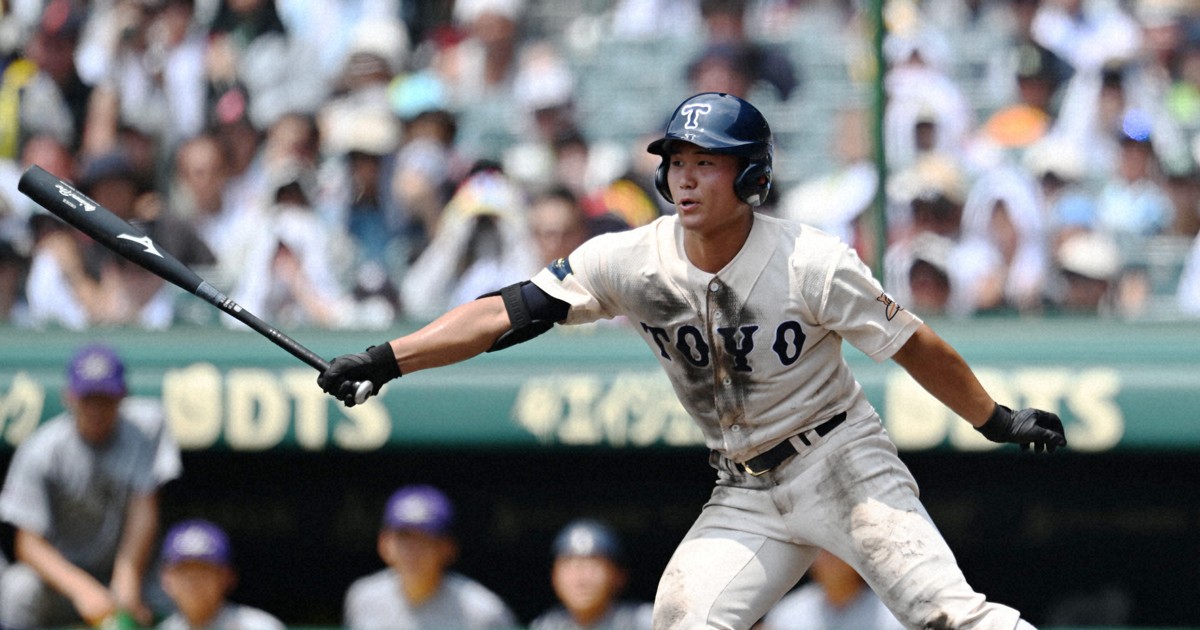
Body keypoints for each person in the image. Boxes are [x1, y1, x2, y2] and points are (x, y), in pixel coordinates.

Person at [319, 92, 1068, 630]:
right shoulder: (631, 259)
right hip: (743, 486)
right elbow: (508, 312)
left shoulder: (812, 262)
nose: (684, 176)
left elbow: (916, 344)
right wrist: (391, 358)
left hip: (840, 461)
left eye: (707, 162)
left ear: (750, 177)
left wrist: (995, 419)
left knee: (948, 617)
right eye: (676, 159)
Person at [0, 343, 182, 628]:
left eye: (105, 399)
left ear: (122, 396)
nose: (96, 409)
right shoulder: (41, 450)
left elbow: (144, 506)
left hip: (134, 571)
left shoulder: (147, 425)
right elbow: (28, 544)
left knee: (180, 584)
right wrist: (82, 589)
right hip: (63, 579)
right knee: (18, 588)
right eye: (88, 399)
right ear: (69, 397)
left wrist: (128, 577)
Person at [342, 484, 518, 630]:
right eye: (404, 538)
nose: (412, 551)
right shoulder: (362, 598)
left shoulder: (483, 612)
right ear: (384, 543)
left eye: (424, 540)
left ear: (447, 548)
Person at [157, 519, 286, 630]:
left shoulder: (260, 627)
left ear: (227, 577)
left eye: (204, 571)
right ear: (166, 578)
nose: (194, 580)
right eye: (184, 571)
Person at [530, 518, 652, 630]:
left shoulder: (646, 621)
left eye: (593, 566)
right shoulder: (545, 625)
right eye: (571, 567)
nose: (581, 579)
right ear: (554, 577)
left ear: (618, 575)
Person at [760, 549, 904, 630]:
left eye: (836, 550)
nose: (829, 558)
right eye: (823, 551)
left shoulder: (894, 615)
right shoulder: (787, 614)